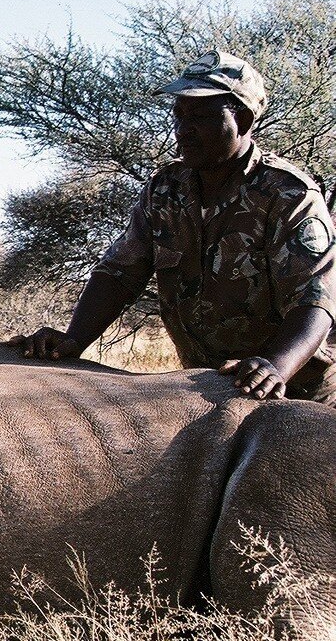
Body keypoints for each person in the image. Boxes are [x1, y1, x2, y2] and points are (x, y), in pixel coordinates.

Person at [22, 51, 336, 403]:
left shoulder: (288, 193)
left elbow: (316, 300)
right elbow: (119, 273)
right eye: (179, 114)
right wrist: (74, 338)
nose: (183, 129)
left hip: (297, 393)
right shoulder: (166, 188)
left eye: (200, 117)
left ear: (243, 120)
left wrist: (276, 366)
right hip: (206, 391)